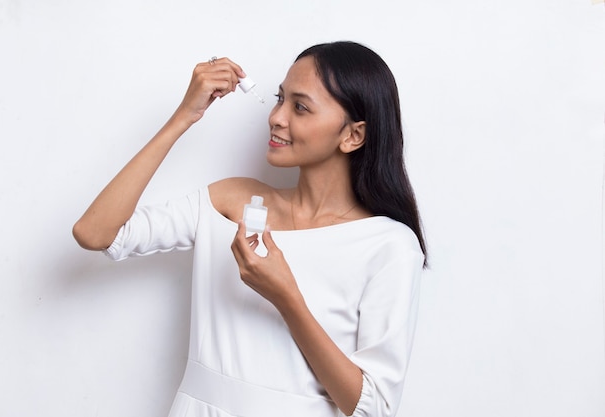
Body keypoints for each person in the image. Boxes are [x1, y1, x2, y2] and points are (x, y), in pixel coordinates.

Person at [73, 41, 427, 417]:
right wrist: (183, 117)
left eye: (300, 107)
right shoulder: (231, 202)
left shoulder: (387, 245)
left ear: (353, 135)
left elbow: (372, 408)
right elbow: (97, 233)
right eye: (279, 99)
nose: (277, 117)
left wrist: (287, 297)